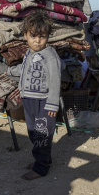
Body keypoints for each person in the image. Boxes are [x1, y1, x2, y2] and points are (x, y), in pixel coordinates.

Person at [7, 11, 62, 180]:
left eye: (42, 36)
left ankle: (41, 168)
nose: (37, 40)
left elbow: (55, 80)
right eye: (33, 36)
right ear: (25, 35)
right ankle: (44, 159)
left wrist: (52, 105)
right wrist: (10, 71)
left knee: (42, 134)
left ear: (47, 37)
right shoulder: (29, 53)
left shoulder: (51, 56)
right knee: (33, 132)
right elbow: (25, 70)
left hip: (44, 102)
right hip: (29, 100)